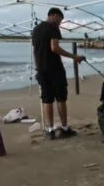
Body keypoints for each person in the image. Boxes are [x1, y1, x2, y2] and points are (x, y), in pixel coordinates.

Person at [32, 7, 85, 139]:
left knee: (47, 100)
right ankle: (64, 128)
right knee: (61, 98)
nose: (60, 23)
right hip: (54, 69)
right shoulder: (53, 28)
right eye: (60, 19)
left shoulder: (36, 30)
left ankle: (50, 130)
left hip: (41, 69)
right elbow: (54, 48)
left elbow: (37, 50)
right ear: (53, 15)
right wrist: (74, 57)